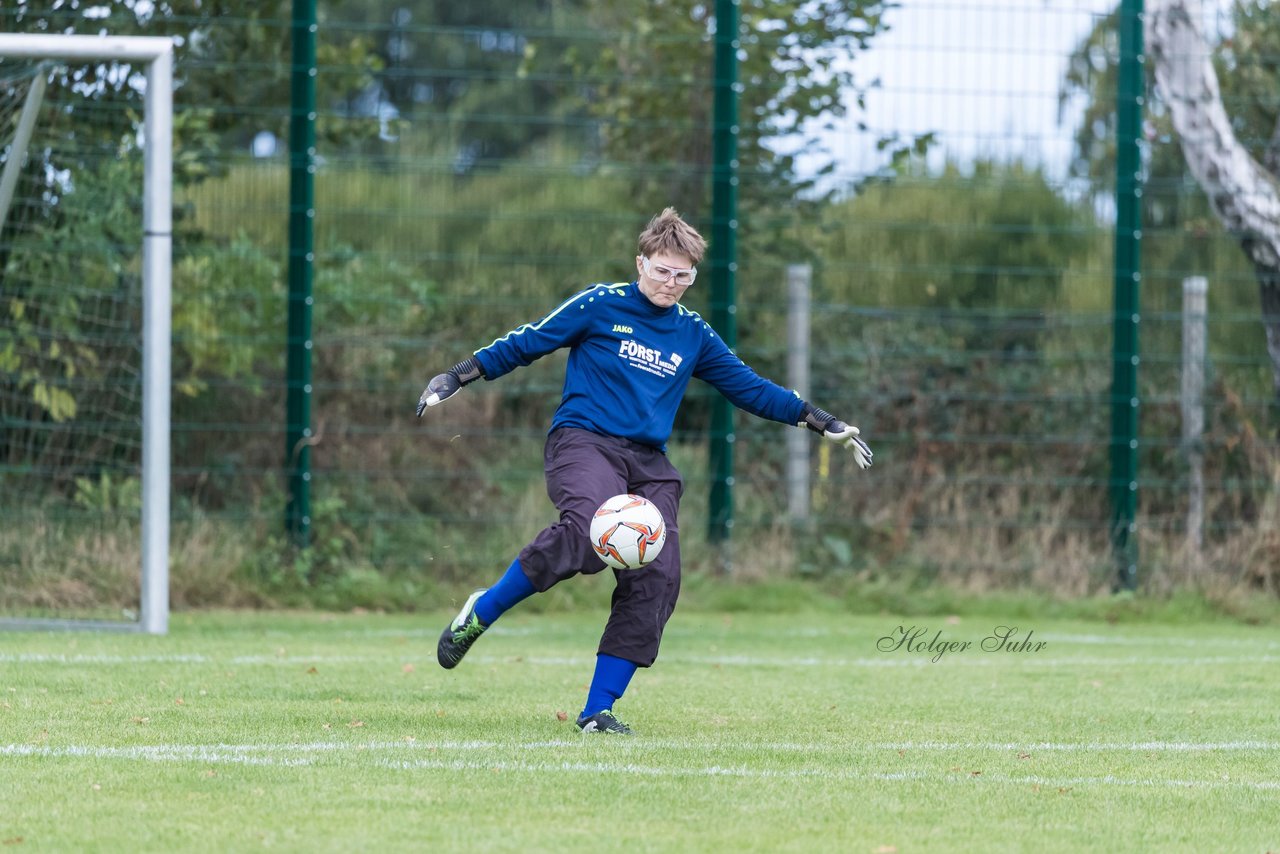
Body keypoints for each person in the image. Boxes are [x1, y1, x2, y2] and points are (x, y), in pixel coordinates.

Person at [416, 208, 872, 735]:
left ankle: (598, 711)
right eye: (662, 271)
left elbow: (749, 387)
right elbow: (526, 342)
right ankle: (482, 611)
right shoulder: (600, 304)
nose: (671, 284)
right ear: (641, 262)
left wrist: (821, 421)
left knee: (658, 574)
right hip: (583, 442)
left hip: (649, 465)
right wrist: (456, 375)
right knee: (587, 531)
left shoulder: (692, 333)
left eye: (683, 276)